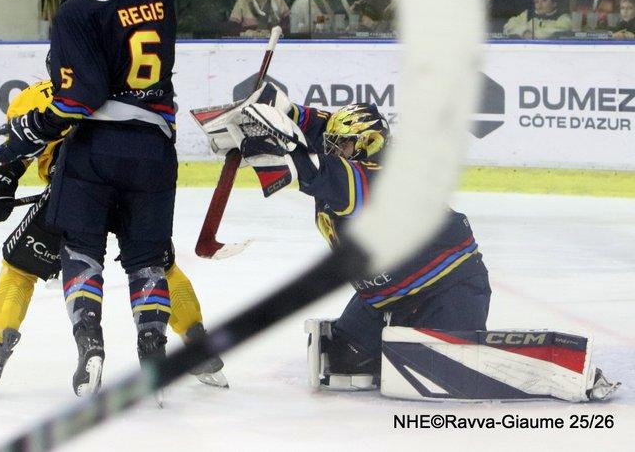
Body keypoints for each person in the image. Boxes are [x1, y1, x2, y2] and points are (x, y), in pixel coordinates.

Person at [194, 86, 490, 388]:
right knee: (342, 361)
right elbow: (316, 126)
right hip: (382, 298)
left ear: (368, 144)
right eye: (333, 145)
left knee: (440, 371)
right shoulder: (352, 152)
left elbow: (324, 175)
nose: (333, 150)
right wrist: (271, 111)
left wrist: (277, 150)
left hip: (446, 287)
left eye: (342, 146)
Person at [0, 0, 179, 397]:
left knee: (81, 251)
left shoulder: (78, 10)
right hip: (155, 149)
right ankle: (154, 353)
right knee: (148, 260)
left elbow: (81, 97)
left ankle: (90, 345)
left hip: (95, 151)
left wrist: (32, 129)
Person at [0, 79, 227, 398]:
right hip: (134, 185)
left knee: (19, 269)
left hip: (76, 189)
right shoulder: (121, 87)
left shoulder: (36, 95)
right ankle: (198, 348)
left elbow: (16, 151)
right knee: (157, 268)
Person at [503, 0, 572, 39]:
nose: (539, 4)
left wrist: (534, 34)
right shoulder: (527, 14)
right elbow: (509, 26)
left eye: (544, 0)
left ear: (554, 3)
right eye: (536, 1)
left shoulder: (564, 18)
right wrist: (524, 32)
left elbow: (560, 31)